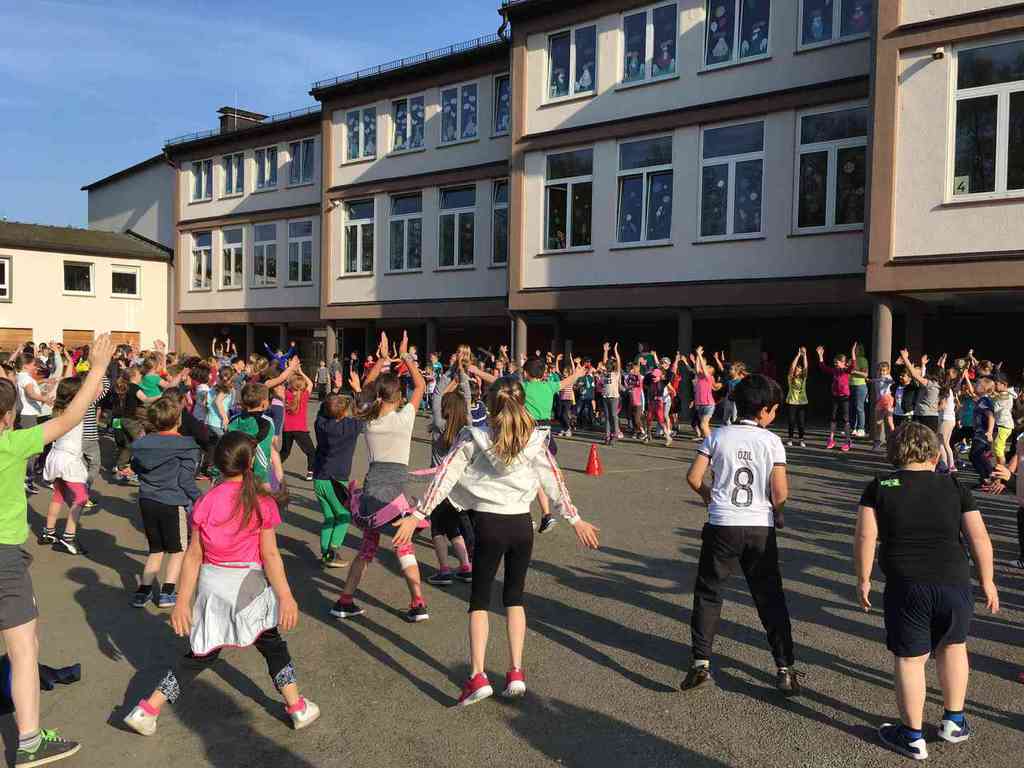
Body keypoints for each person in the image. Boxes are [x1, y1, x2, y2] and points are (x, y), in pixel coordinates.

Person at [394, 377, 600, 705]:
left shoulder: (474, 436)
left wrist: (418, 513)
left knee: (479, 601)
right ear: (523, 403)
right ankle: (516, 671)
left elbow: (445, 476)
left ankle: (478, 675)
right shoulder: (535, 439)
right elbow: (554, 481)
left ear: (488, 406)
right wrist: (574, 519)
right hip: (522, 526)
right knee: (514, 598)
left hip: (489, 524)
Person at [122, 432, 320, 736]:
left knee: (202, 653)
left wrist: (182, 601)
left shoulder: (205, 502)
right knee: (272, 644)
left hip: (212, 585)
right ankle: (297, 707)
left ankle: (148, 709)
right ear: (250, 463)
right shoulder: (261, 502)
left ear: (217, 463)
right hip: (248, 586)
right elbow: (270, 555)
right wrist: (286, 596)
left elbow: (193, 556)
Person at [854, 422, 998, 760]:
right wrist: (987, 580)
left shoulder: (880, 486)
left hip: (907, 585)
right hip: (954, 580)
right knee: (954, 646)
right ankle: (954, 720)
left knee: (910, 658)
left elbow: (865, 536)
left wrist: (863, 578)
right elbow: (979, 536)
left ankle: (912, 735)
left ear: (893, 455)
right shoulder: (954, 486)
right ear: (935, 455)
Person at [0, 334, 111, 766]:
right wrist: (96, 369)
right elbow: (70, 418)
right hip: (4, 559)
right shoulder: (11, 444)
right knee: (24, 647)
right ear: (9, 417)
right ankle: (29, 743)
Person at [682, 374, 802, 696]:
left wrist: (709, 497)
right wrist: (778, 511)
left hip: (722, 523)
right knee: (769, 597)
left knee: (709, 592)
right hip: (759, 525)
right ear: (764, 411)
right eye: (774, 410)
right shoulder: (772, 442)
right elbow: (780, 492)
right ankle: (785, 668)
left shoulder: (717, 436)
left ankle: (700, 662)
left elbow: (693, 477)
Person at [330, 331, 431, 623]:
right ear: (398, 396)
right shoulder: (405, 417)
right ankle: (418, 602)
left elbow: (365, 388)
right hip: (395, 493)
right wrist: (406, 355)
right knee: (404, 547)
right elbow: (421, 385)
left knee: (367, 547)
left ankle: (345, 600)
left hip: (372, 490)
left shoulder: (369, 419)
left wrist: (383, 359)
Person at [129, 397, 202, 608]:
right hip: (172, 501)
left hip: (147, 500)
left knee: (156, 548)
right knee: (178, 549)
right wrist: (200, 499)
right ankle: (168, 592)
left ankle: (143, 592)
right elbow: (186, 480)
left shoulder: (141, 446)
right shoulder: (186, 446)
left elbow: (136, 467)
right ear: (178, 420)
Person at [40, 378, 96, 556]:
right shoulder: (76, 411)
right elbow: (97, 390)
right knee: (81, 497)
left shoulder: (58, 409)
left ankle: (48, 532)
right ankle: (68, 537)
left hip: (57, 456)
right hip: (69, 460)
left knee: (58, 495)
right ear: (76, 395)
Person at [425, 391, 474, 586]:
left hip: (440, 486)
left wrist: (447, 377)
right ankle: (465, 566)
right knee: (453, 528)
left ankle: (444, 570)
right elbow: (467, 396)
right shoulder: (467, 431)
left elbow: (436, 395)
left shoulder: (439, 428)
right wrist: (462, 375)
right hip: (458, 487)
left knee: (437, 529)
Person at [312, 393, 362, 568]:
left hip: (319, 478)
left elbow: (322, 410)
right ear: (343, 413)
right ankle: (332, 552)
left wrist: (334, 394)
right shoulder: (349, 428)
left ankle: (326, 553)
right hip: (336, 481)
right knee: (344, 516)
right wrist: (357, 393)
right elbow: (362, 414)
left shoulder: (320, 424)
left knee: (329, 517)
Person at [281, 368, 316, 481]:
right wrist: (301, 372)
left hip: (287, 429)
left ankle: (272, 467)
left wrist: (290, 371)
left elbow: (282, 382)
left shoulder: (286, 394)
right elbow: (310, 383)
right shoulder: (304, 395)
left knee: (285, 452)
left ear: (291, 385)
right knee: (311, 452)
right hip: (300, 429)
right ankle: (310, 472)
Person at [816, 345, 852, 451]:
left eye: (837, 362)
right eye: (834, 362)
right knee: (833, 418)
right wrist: (820, 355)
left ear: (843, 363)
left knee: (845, 419)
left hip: (845, 398)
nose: (835, 364)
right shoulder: (834, 371)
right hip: (835, 397)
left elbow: (852, 366)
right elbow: (823, 367)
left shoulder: (846, 371)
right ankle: (831, 439)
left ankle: (848, 441)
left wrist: (853, 354)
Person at [785, 347, 808, 448]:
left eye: (799, 370)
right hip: (792, 402)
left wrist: (805, 355)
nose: (798, 371)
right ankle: (790, 439)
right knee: (791, 421)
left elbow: (806, 367)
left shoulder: (803, 378)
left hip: (802, 403)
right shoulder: (790, 378)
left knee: (801, 423)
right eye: (796, 370)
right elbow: (792, 367)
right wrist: (798, 355)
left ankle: (801, 439)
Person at [600, 343, 622, 445]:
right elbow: (604, 362)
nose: (607, 365)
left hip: (614, 397)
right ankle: (607, 435)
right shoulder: (605, 373)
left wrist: (615, 350)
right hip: (605, 397)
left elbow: (618, 361)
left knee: (613, 415)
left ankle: (615, 434)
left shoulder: (616, 373)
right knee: (607, 417)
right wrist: (605, 351)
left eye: (609, 364)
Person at [872, 361, 895, 450]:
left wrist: (885, 380)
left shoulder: (888, 377)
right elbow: (877, 389)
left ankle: (893, 440)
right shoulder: (877, 378)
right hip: (880, 401)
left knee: (889, 422)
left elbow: (891, 381)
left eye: (884, 370)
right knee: (878, 422)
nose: (882, 372)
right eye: (880, 370)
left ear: (888, 371)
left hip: (888, 399)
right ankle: (877, 441)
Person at [849, 342, 870, 438]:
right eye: (853, 349)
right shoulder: (850, 360)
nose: (854, 350)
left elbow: (865, 374)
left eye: (856, 349)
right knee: (852, 407)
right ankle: (853, 428)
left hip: (860, 386)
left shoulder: (863, 360)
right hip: (850, 385)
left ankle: (861, 429)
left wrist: (854, 371)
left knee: (859, 408)